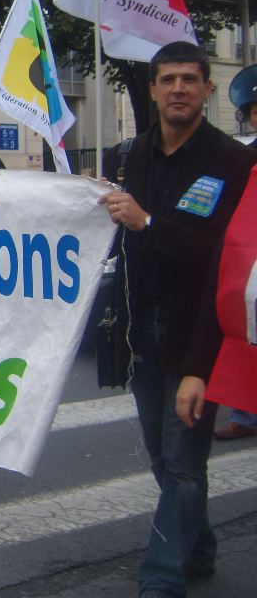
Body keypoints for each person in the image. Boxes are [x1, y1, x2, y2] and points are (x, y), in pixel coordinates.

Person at [98, 42, 257, 598]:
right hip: (144, 333)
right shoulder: (131, 155)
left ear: (208, 89)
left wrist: (145, 223)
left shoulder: (233, 162)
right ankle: (201, 547)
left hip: (199, 331)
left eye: (190, 79)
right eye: (168, 79)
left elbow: (220, 259)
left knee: (186, 461)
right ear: (152, 89)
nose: (179, 89)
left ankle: (161, 578)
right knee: (166, 456)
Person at [213, 73, 257, 440]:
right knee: (246, 331)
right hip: (249, 265)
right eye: (254, 110)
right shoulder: (244, 157)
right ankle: (245, 412)